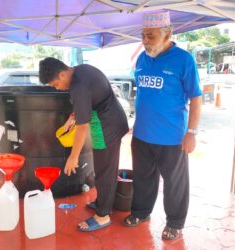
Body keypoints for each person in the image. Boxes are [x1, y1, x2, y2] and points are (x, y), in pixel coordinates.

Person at [122, 11, 202, 241]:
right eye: (143, 35)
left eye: (151, 36)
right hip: (143, 135)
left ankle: (175, 223)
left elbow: (196, 98)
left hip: (172, 137)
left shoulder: (183, 59)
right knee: (143, 179)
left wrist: (192, 133)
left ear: (167, 34)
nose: (145, 41)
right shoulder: (142, 59)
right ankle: (140, 213)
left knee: (174, 183)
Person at [39, 57, 128, 232]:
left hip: (106, 127)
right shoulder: (81, 70)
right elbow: (88, 101)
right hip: (109, 119)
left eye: (56, 84)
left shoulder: (79, 86)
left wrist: (73, 157)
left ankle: (103, 215)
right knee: (103, 168)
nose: (57, 88)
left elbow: (82, 126)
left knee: (105, 171)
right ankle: (102, 202)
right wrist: (73, 117)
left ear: (63, 74)